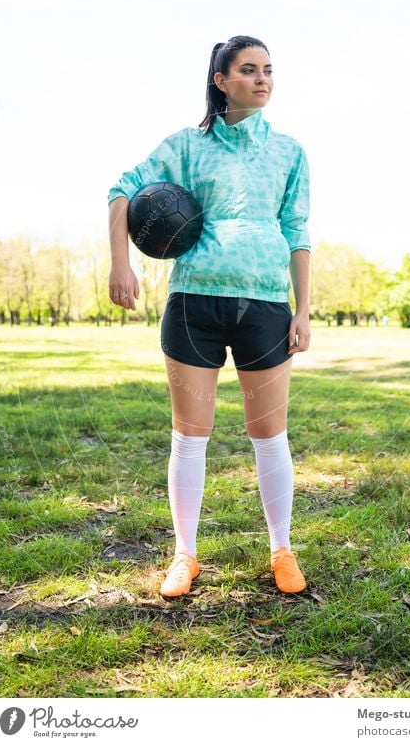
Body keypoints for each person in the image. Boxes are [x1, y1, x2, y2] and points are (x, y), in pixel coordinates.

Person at [107, 35, 311, 597]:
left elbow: (297, 231)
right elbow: (121, 189)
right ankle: (184, 556)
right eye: (249, 70)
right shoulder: (186, 146)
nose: (262, 79)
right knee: (188, 437)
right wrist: (121, 264)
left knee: (270, 436)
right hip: (194, 304)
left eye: (268, 69)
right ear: (221, 81)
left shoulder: (290, 151)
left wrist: (304, 309)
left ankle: (282, 550)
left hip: (267, 306)